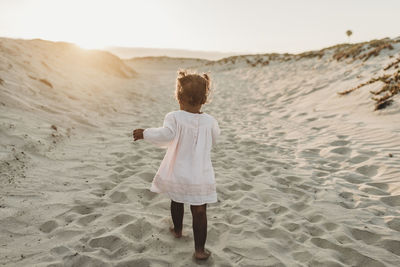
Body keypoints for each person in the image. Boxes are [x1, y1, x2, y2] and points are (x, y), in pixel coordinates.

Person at [133, 70, 220, 260]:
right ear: (204, 99)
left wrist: (145, 133)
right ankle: (199, 251)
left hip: (179, 171)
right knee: (199, 211)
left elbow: (166, 135)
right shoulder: (210, 121)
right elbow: (215, 139)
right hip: (201, 173)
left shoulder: (173, 117)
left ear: (179, 97)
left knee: (177, 199)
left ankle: (178, 230)